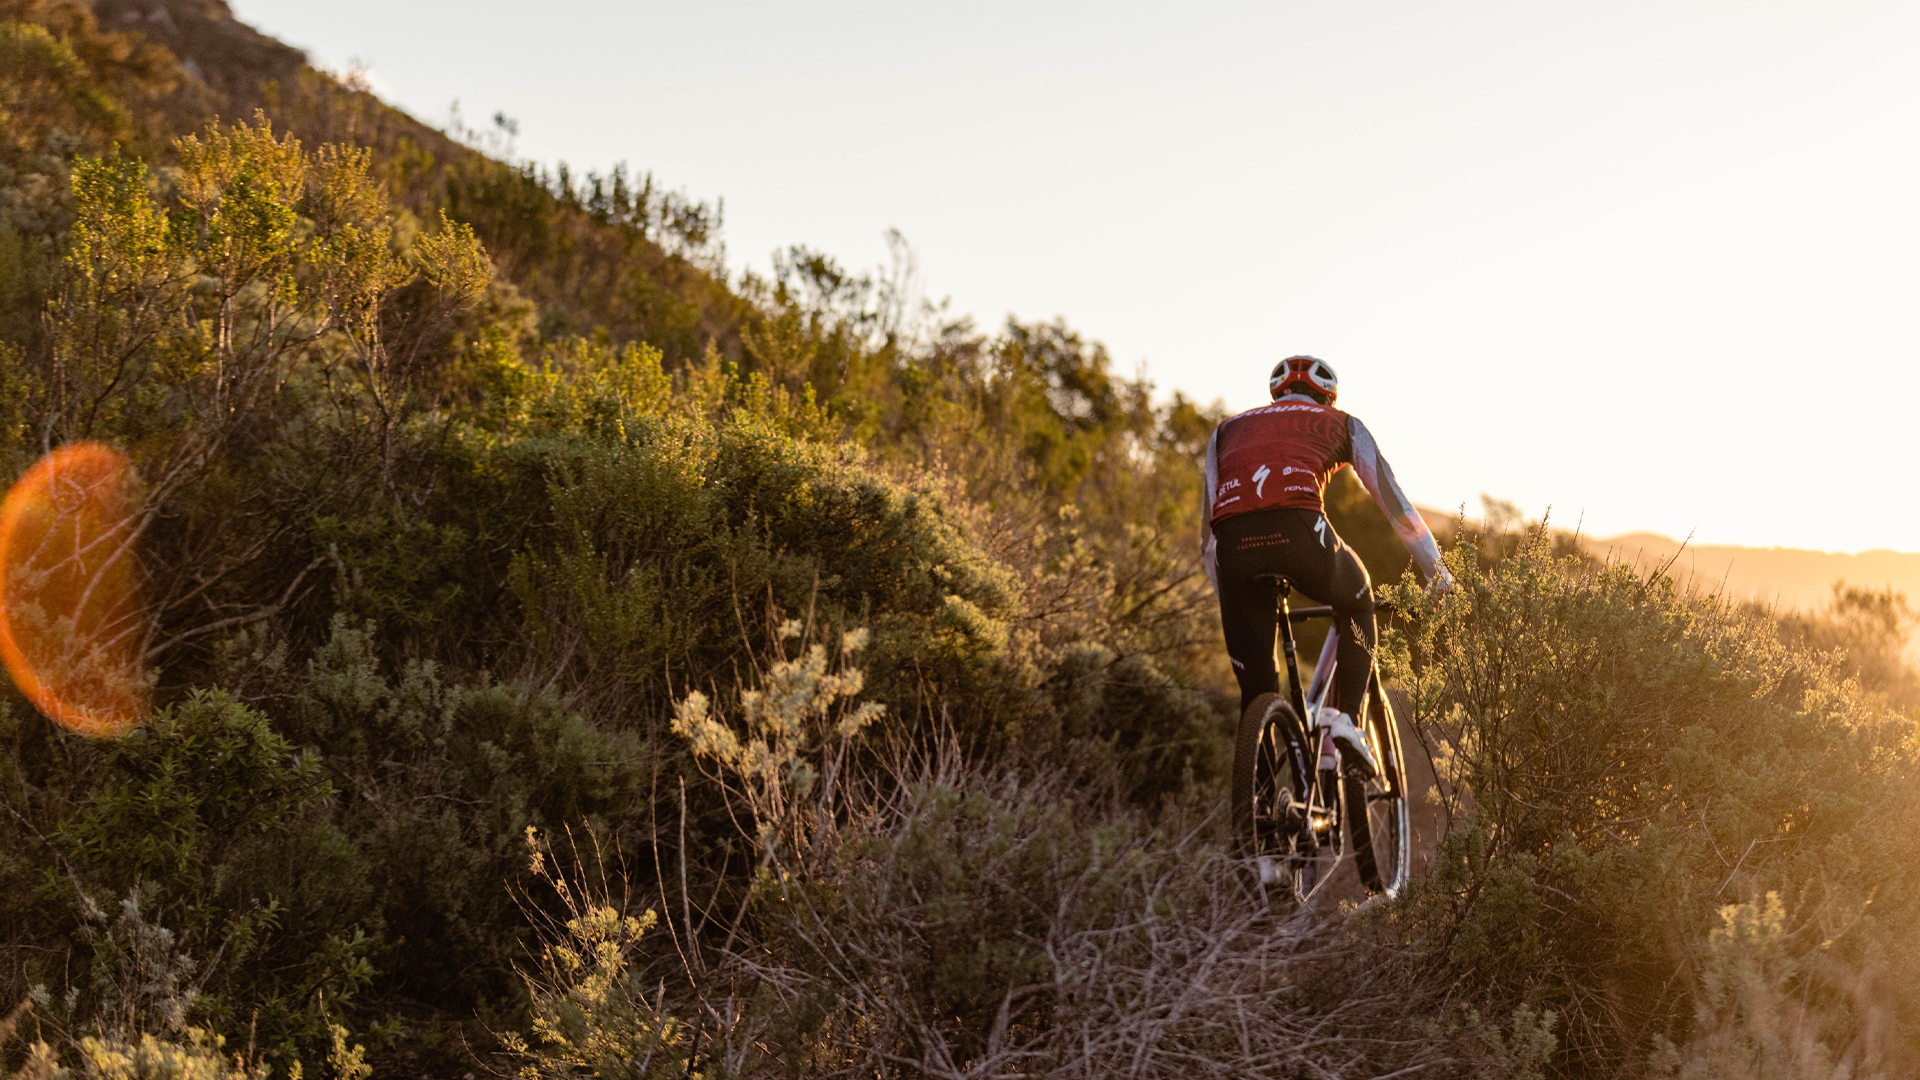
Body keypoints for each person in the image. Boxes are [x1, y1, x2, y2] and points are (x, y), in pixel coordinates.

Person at [1201, 355, 1452, 774]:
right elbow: (1393, 502)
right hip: (1299, 530)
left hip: (1234, 547)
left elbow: (1208, 539)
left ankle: (1258, 825)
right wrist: (1436, 571)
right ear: (1328, 397)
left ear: (1276, 394)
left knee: (1256, 693)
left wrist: (1228, 594)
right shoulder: (1341, 423)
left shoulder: (1226, 430)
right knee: (1358, 597)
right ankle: (1346, 721)